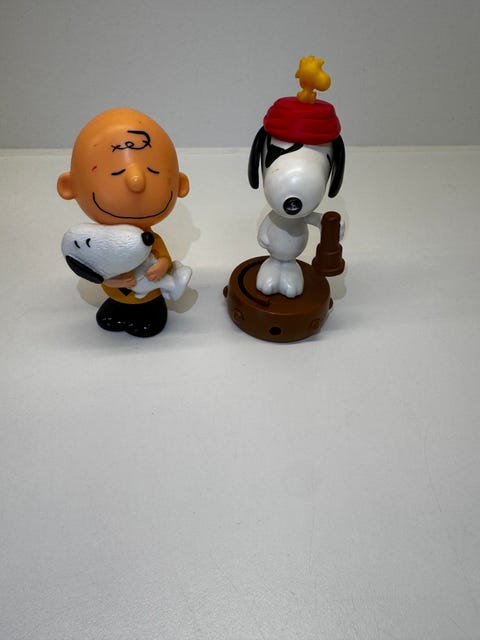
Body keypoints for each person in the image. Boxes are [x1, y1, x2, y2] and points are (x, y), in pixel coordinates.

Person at [57, 107, 190, 337]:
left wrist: (160, 267)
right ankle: (120, 309)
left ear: (180, 185)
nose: (136, 182)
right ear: (69, 187)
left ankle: (152, 311)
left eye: (153, 171)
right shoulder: (100, 244)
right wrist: (116, 283)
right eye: (116, 172)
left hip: (150, 297)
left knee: (148, 317)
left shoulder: (151, 240)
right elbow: (101, 273)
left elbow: (164, 258)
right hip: (118, 296)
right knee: (111, 317)